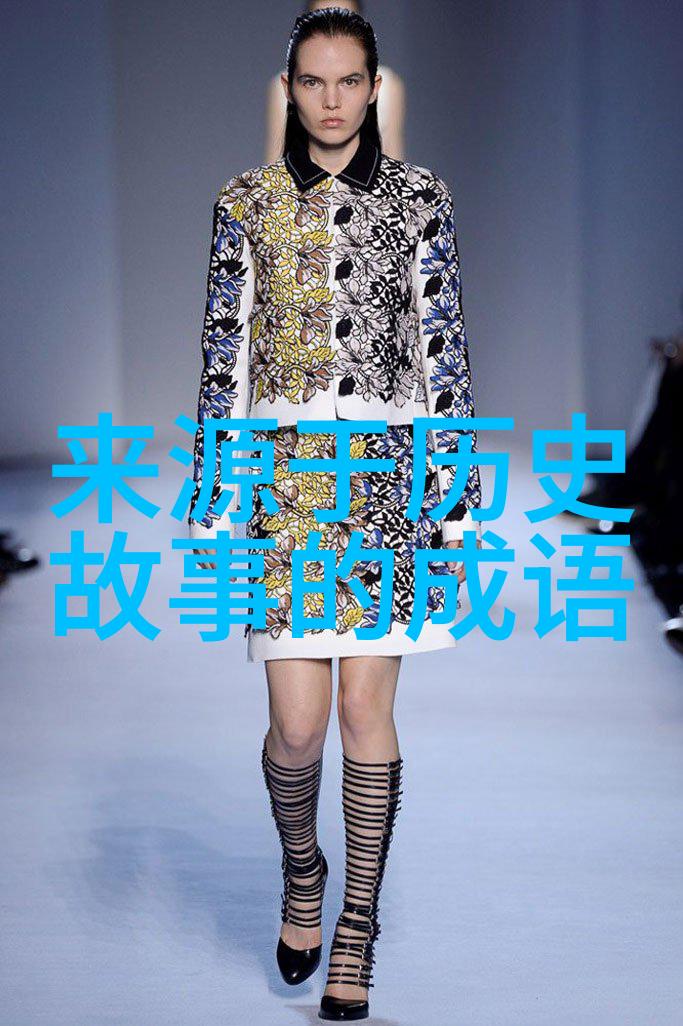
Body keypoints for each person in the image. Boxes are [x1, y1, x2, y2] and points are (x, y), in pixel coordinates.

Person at [188, 8, 482, 1020]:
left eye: (347, 80)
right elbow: (222, 352)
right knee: (296, 727)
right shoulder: (245, 200)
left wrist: (452, 495)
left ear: (372, 86)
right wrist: (211, 494)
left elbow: (442, 343)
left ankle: (355, 925)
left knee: (363, 710)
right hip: (281, 484)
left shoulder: (418, 197)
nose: (329, 99)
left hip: (384, 479)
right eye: (311, 81)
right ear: (289, 88)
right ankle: (301, 870)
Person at [264, 0, 405, 162]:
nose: (331, 102)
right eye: (312, 83)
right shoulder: (282, 86)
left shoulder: (388, 85)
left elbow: (393, 153)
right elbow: (276, 157)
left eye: (349, 82)